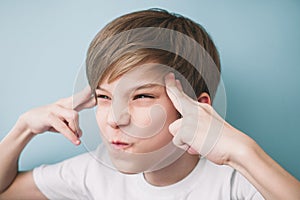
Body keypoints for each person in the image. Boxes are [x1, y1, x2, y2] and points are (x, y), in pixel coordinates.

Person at [0, 9, 299, 200]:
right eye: (104, 97)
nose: (115, 119)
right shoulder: (94, 173)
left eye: (142, 96)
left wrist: (242, 153)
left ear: (197, 108)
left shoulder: (236, 183)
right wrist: (23, 129)